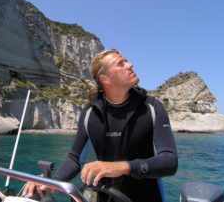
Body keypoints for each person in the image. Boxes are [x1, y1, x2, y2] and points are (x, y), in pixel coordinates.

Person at [23, 49, 178, 202]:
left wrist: (121, 167)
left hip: (146, 196)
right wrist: (52, 183)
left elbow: (170, 161)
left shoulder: (152, 107)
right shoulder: (91, 112)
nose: (130, 65)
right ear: (106, 79)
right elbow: (75, 159)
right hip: (103, 196)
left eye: (126, 61)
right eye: (120, 63)